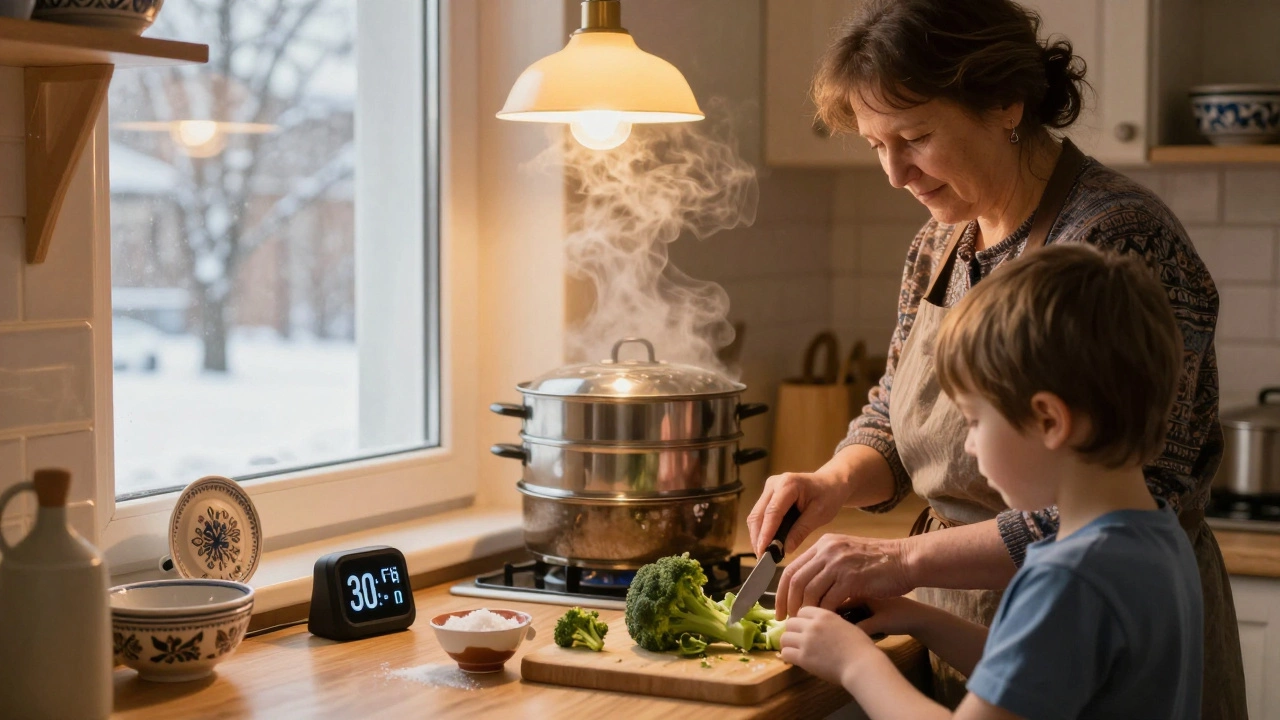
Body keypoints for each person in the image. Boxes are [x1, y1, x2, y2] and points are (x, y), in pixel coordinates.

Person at [745, 0, 1246, 714]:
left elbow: (1133, 489)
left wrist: (899, 561)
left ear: (1005, 103)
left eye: (914, 136)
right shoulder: (940, 241)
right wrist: (830, 483)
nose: (894, 173)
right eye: (873, 143)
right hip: (970, 627)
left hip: (1096, 632)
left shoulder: (1119, 241)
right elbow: (895, 405)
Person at [780, 244, 1204, 720]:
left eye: (975, 422)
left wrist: (855, 665)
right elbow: (1041, 676)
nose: (969, 447)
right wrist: (920, 618)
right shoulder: (1157, 539)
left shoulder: (1068, 579)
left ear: (1048, 420)